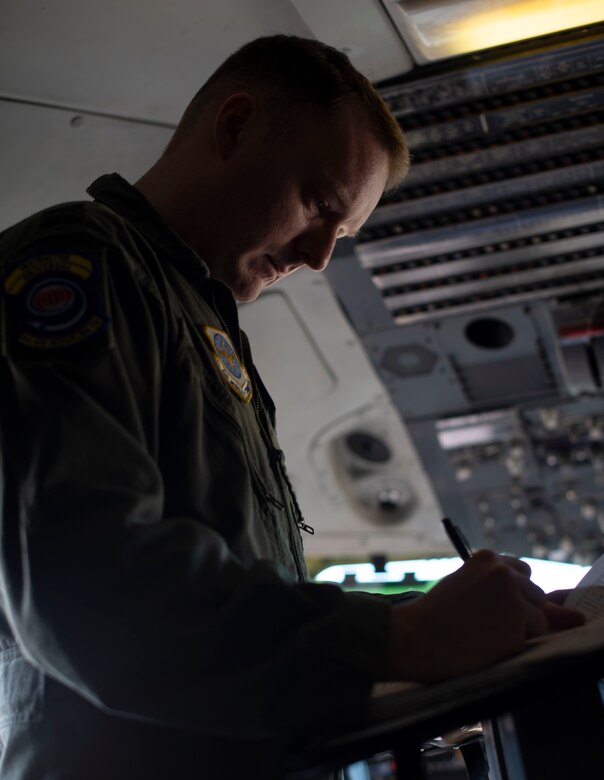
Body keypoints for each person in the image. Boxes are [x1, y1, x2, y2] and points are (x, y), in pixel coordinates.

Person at [0, 34, 583, 780]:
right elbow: (90, 591)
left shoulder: (201, 322)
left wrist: (427, 613)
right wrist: (401, 642)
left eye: (339, 234)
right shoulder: (79, 266)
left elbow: (235, 586)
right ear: (235, 127)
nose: (316, 258)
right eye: (318, 205)